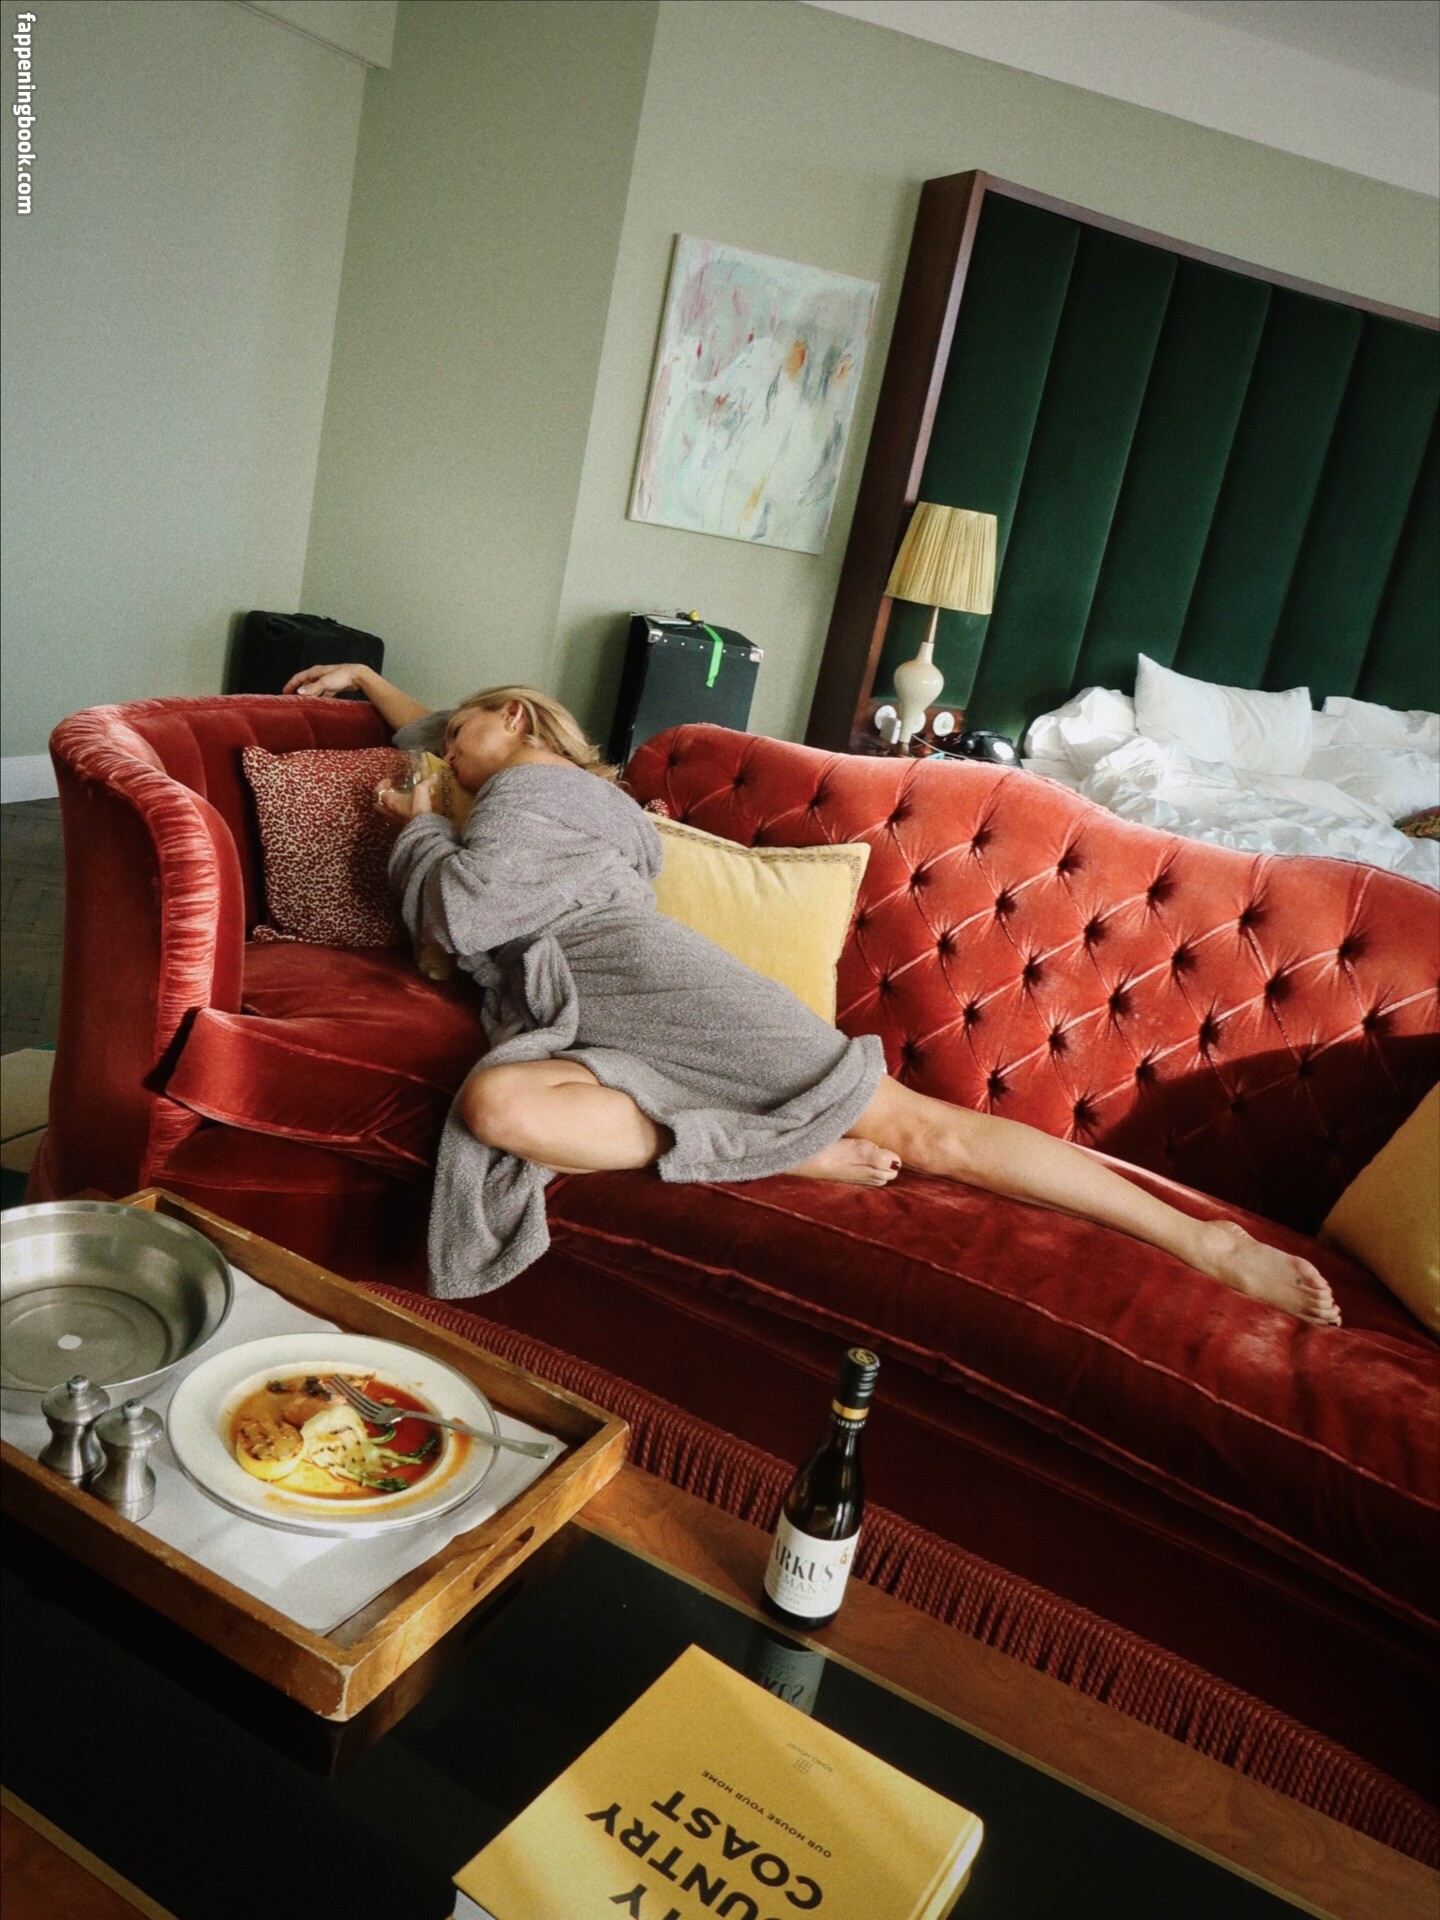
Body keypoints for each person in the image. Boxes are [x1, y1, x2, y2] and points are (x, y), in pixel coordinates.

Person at [285, 662, 1341, 1326]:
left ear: (514, 719)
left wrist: (418, 829)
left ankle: (1203, 1242)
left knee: (931, 1135)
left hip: (668, 991)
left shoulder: (527, 787)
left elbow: (464, 911)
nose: (443, 760)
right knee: (498, 1108)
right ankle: (774, 1144)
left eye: (460, 742)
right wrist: (374, 685)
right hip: (593, 1013)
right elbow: (439, 732)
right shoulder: (552, 789)